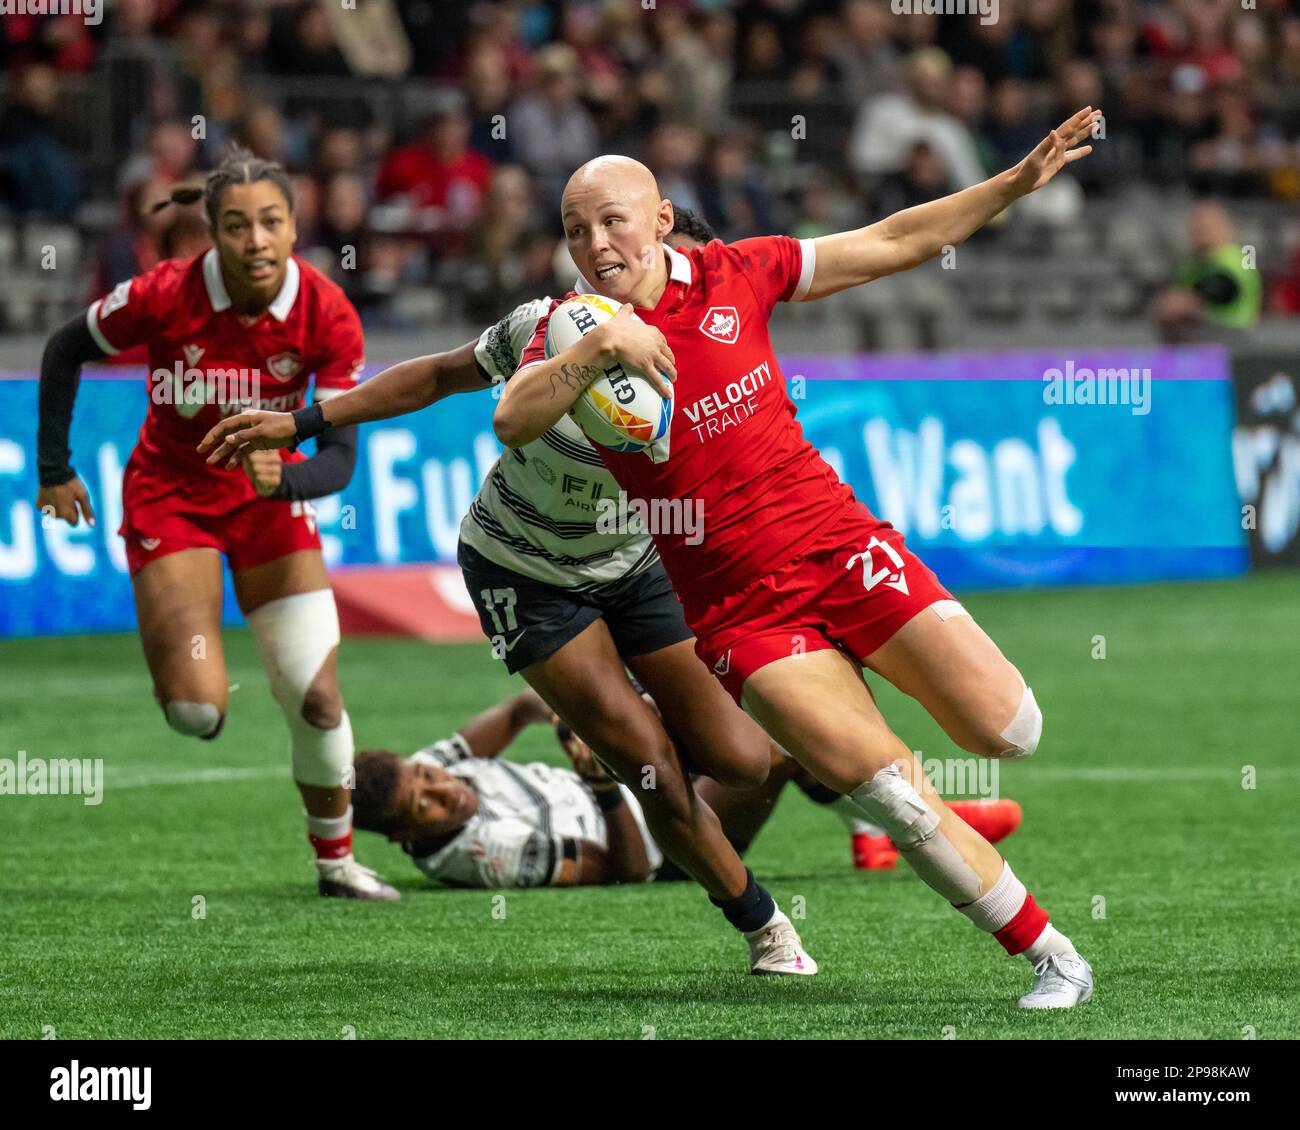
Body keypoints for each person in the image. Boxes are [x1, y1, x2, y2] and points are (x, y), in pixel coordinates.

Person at [487, 107, 1105, 1009]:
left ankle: (852, 672)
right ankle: (1054, 957)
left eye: (613, 219)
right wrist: (603, 345)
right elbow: (511, 418)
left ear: (661, 219)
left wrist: (1010, 184)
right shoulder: (568, 331)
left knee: (1008, 730)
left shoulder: (743, 271)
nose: (595, 242)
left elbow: (892, 239)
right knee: (893, 792)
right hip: (743, 615)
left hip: (839, 546)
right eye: (576, 229)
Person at [197, 209, 817, 977]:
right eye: (655, 265)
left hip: (632, 559)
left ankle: (670, 723)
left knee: (744, 758)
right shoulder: (550, 326)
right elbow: (440, 376)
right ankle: (765, 928)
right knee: (641, 757)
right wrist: (307, 418)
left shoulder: (718, 361)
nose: (670, 287)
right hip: (521, 570)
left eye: (688, 275)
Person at [35, 146, 397, 901]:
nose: (255, 241)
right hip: (173, 496)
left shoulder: (328, 312)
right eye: (236, 226)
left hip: (270, 508)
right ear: (214, 232)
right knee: (198, 711)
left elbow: (338, 462)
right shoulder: (165, 292)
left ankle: (336, 865)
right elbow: (64, 345)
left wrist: (283, 478)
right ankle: (186, 661)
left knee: (318, 697)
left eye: (270, 222)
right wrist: (53, 469)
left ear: (296, 228)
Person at [352, 689, 661, 888]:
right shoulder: (485, 855)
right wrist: (602, 786)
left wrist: (564, 723)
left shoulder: (421, 768)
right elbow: (630, 870)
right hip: (659, 831)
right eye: (424, 805)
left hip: (637, 775)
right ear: (404, 834)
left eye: (429, 776)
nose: (447, 789)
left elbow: (520, 709)